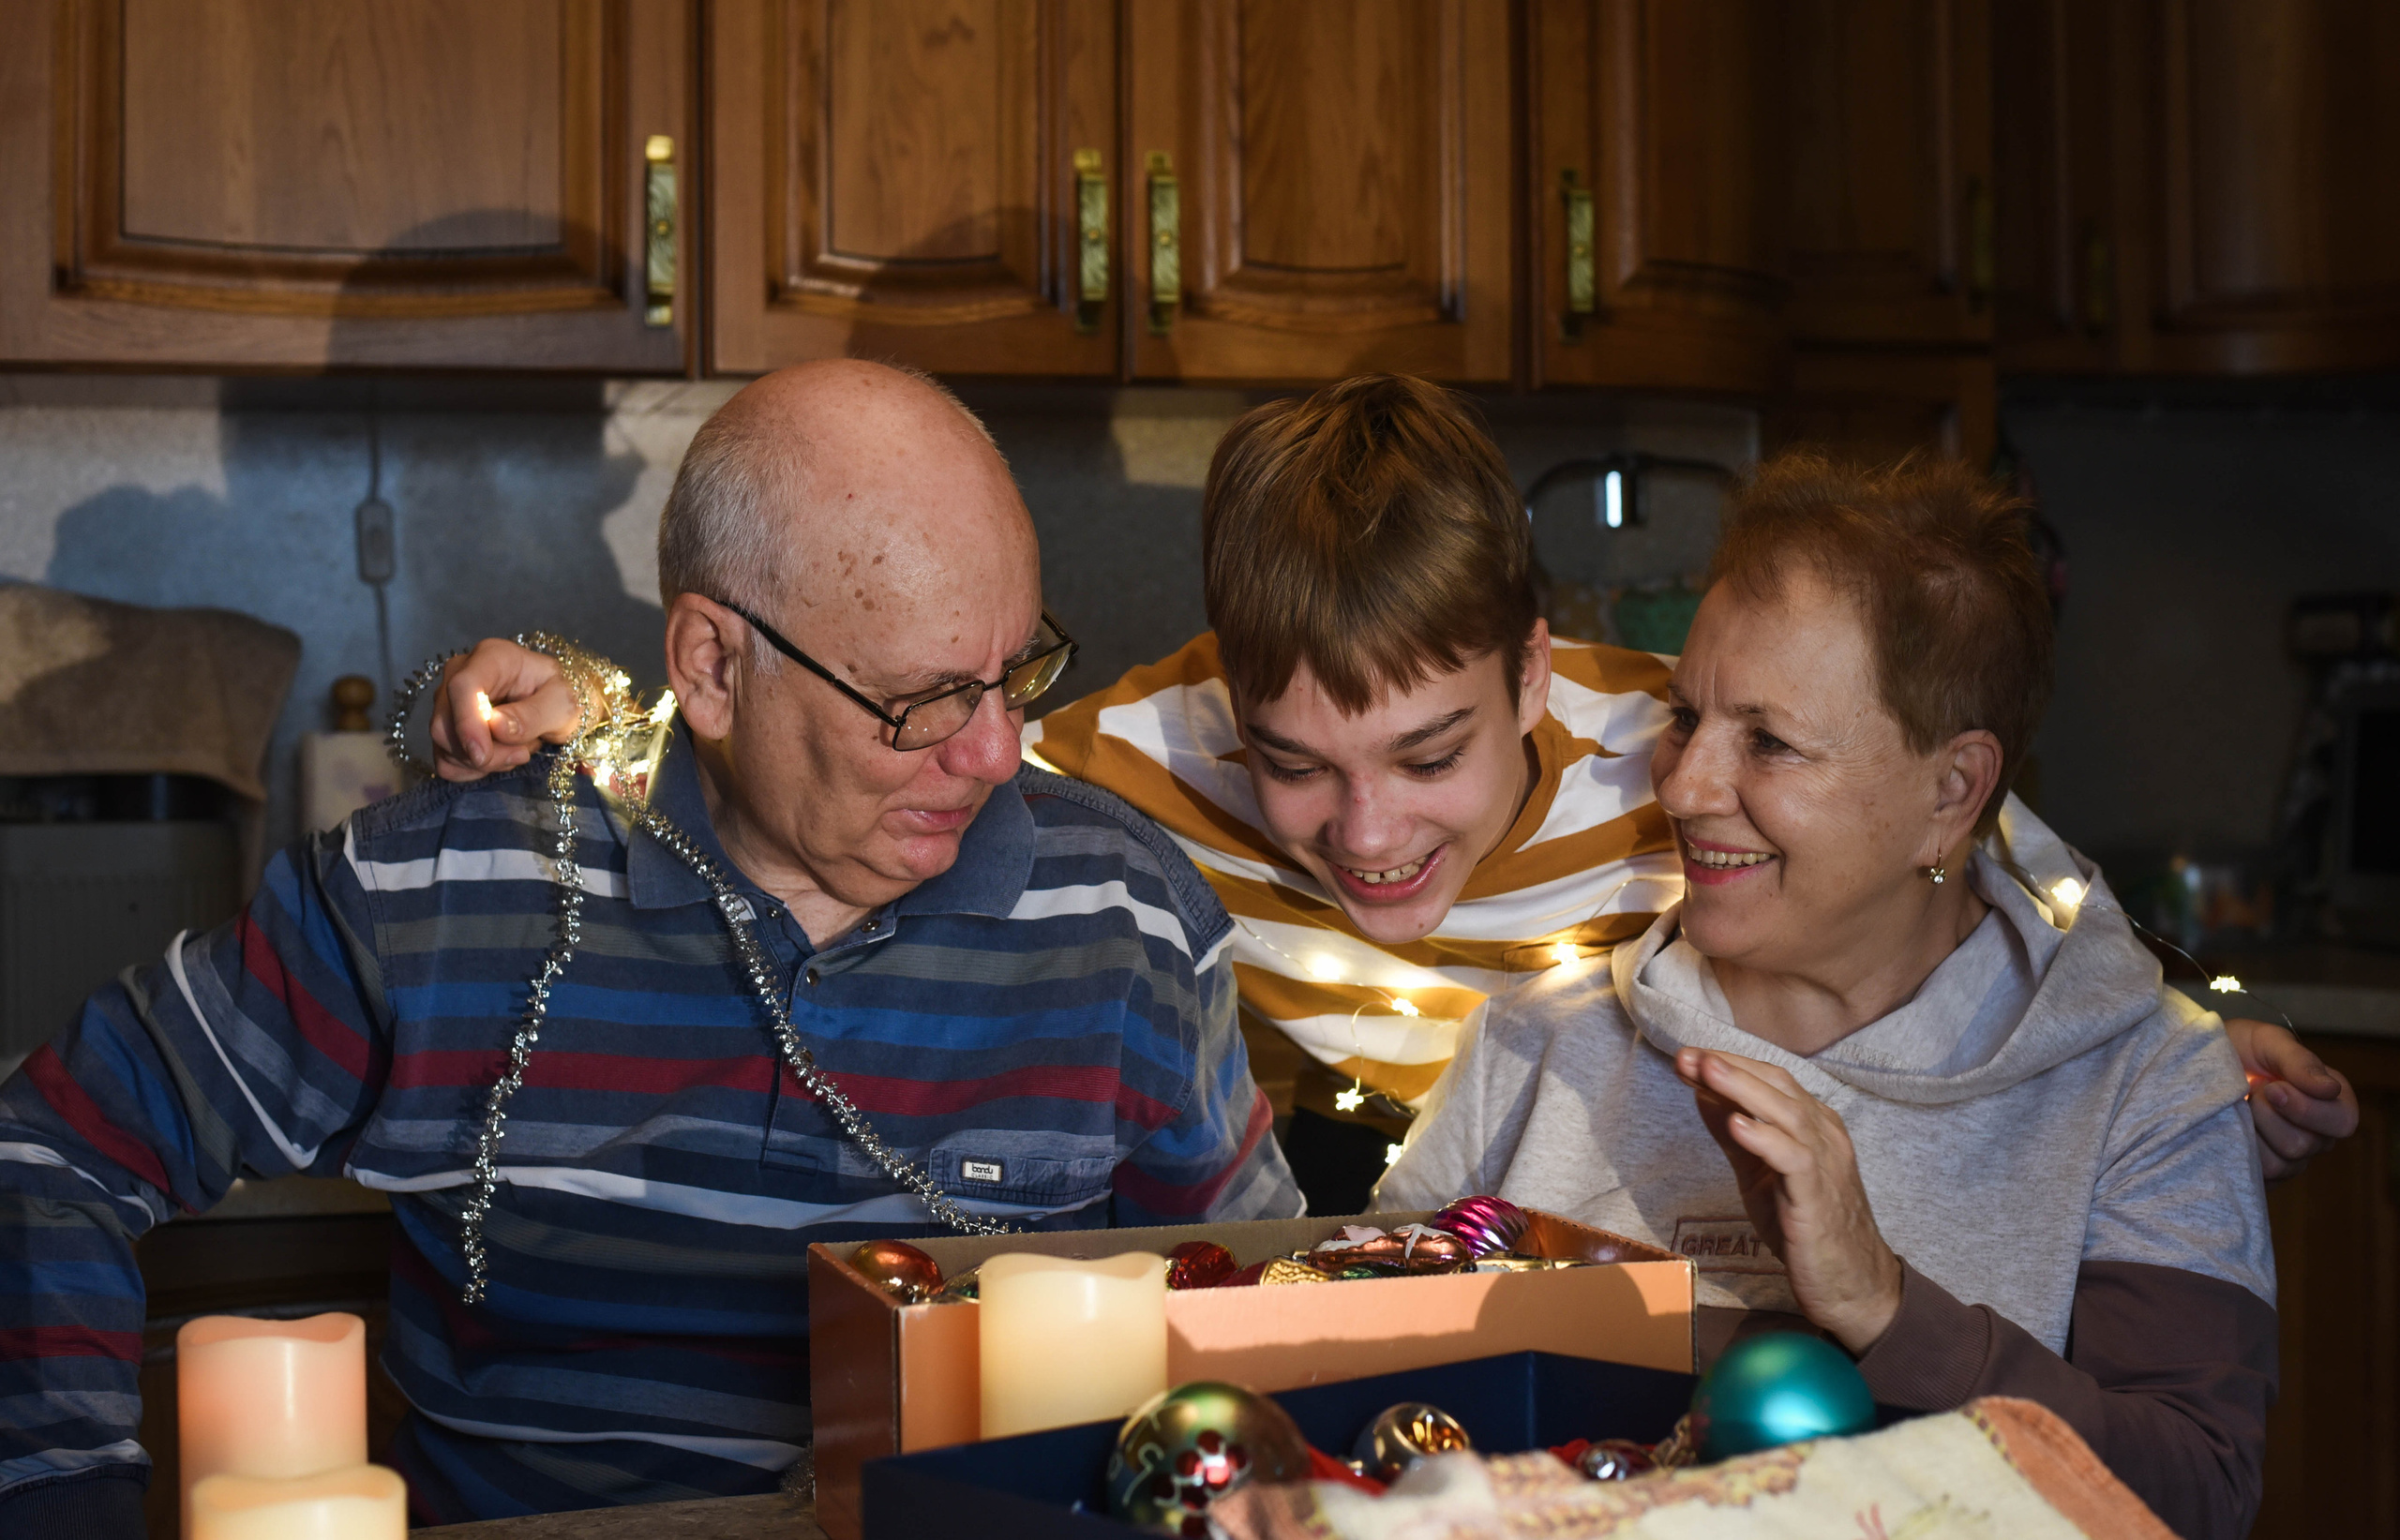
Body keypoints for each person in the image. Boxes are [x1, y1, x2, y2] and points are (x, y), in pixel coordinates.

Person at [435, 375, 2356, 1215]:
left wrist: (2191, 1018)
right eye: (1295, 762)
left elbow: (1984, 850)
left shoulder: (1678, 749)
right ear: (1219, 697)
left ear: (1536, 669)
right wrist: (589, 708)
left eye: (1429, 753)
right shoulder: (1131, 753)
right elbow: (846, 749)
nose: (1365, 834)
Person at [0, 361, 1298, 1532]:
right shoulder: (445, 891)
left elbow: (1269, 1311)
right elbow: (49, 1145)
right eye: (922, 701)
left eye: (1017, 672)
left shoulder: (1121, 912)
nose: (993, 752)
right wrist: (67, 1500)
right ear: (713, 666)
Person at [1378, 453, 2275, 1539]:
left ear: (1950, 791)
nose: (1684, 782)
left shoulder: (2146, 1082)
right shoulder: (1533, 1044)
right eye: (1684, 715)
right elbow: (1376, 1421)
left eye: (1768, 741)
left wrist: (1883, 1306)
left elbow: (2193, 1497)